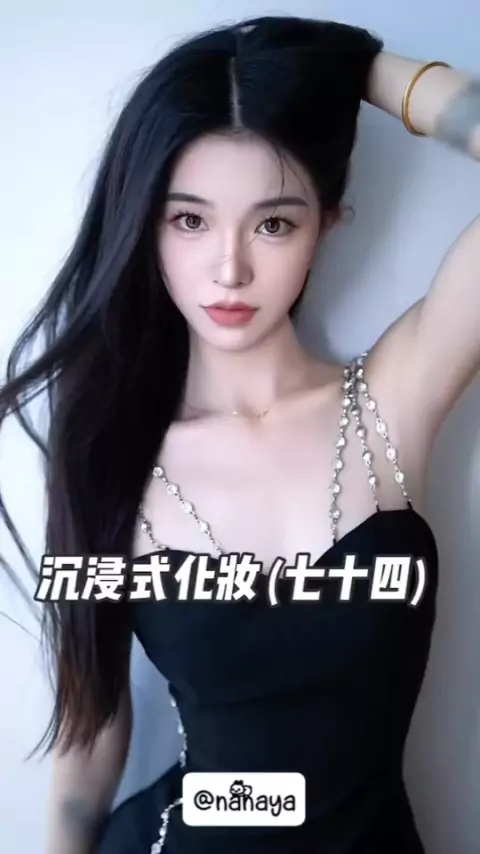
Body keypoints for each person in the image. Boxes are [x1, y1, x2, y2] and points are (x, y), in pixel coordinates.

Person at [1, 13, 479, 854]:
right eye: (189, 221)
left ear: (326, 223)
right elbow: (88, 741)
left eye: (273, 223)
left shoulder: (391, 403)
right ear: (143, 225)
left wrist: (359, 70)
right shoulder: (108, 459)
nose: (230, 268)